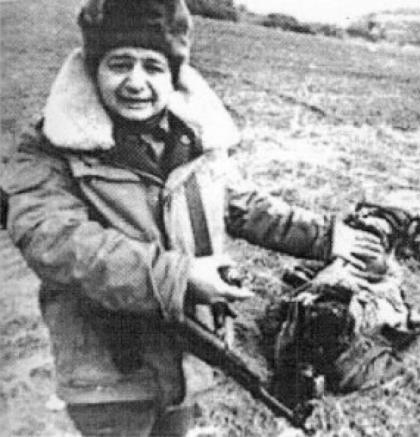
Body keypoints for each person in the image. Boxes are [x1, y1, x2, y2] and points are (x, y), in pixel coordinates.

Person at [3, 0, 383, 435]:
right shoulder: (47, 148)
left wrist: (322, 236)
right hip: (108, 375)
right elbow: (55, 239)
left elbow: (239, 202)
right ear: (93, 69)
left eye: (153, 66)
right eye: (119, 64)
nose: (136, 82)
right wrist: (179, 278)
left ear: (174, 75)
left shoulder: (191, 140)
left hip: (190, 357)